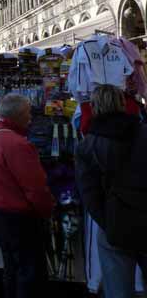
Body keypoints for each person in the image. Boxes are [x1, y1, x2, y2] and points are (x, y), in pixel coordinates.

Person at [0, 93, 55, 298]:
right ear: (18, 116)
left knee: (12, 269)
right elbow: (36, 188)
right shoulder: (17, 144)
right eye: (28, 114)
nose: (31, 118)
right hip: (21, 217)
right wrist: (46, 211)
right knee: (29, 273)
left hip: (0, 214)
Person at [75, 84, 147, 297]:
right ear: (123, 104)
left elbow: (89, 195)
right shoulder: (143, 133)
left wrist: (108, 222)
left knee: (117, 290)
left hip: (115, 222)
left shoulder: (88, 145)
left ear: (95, 108)